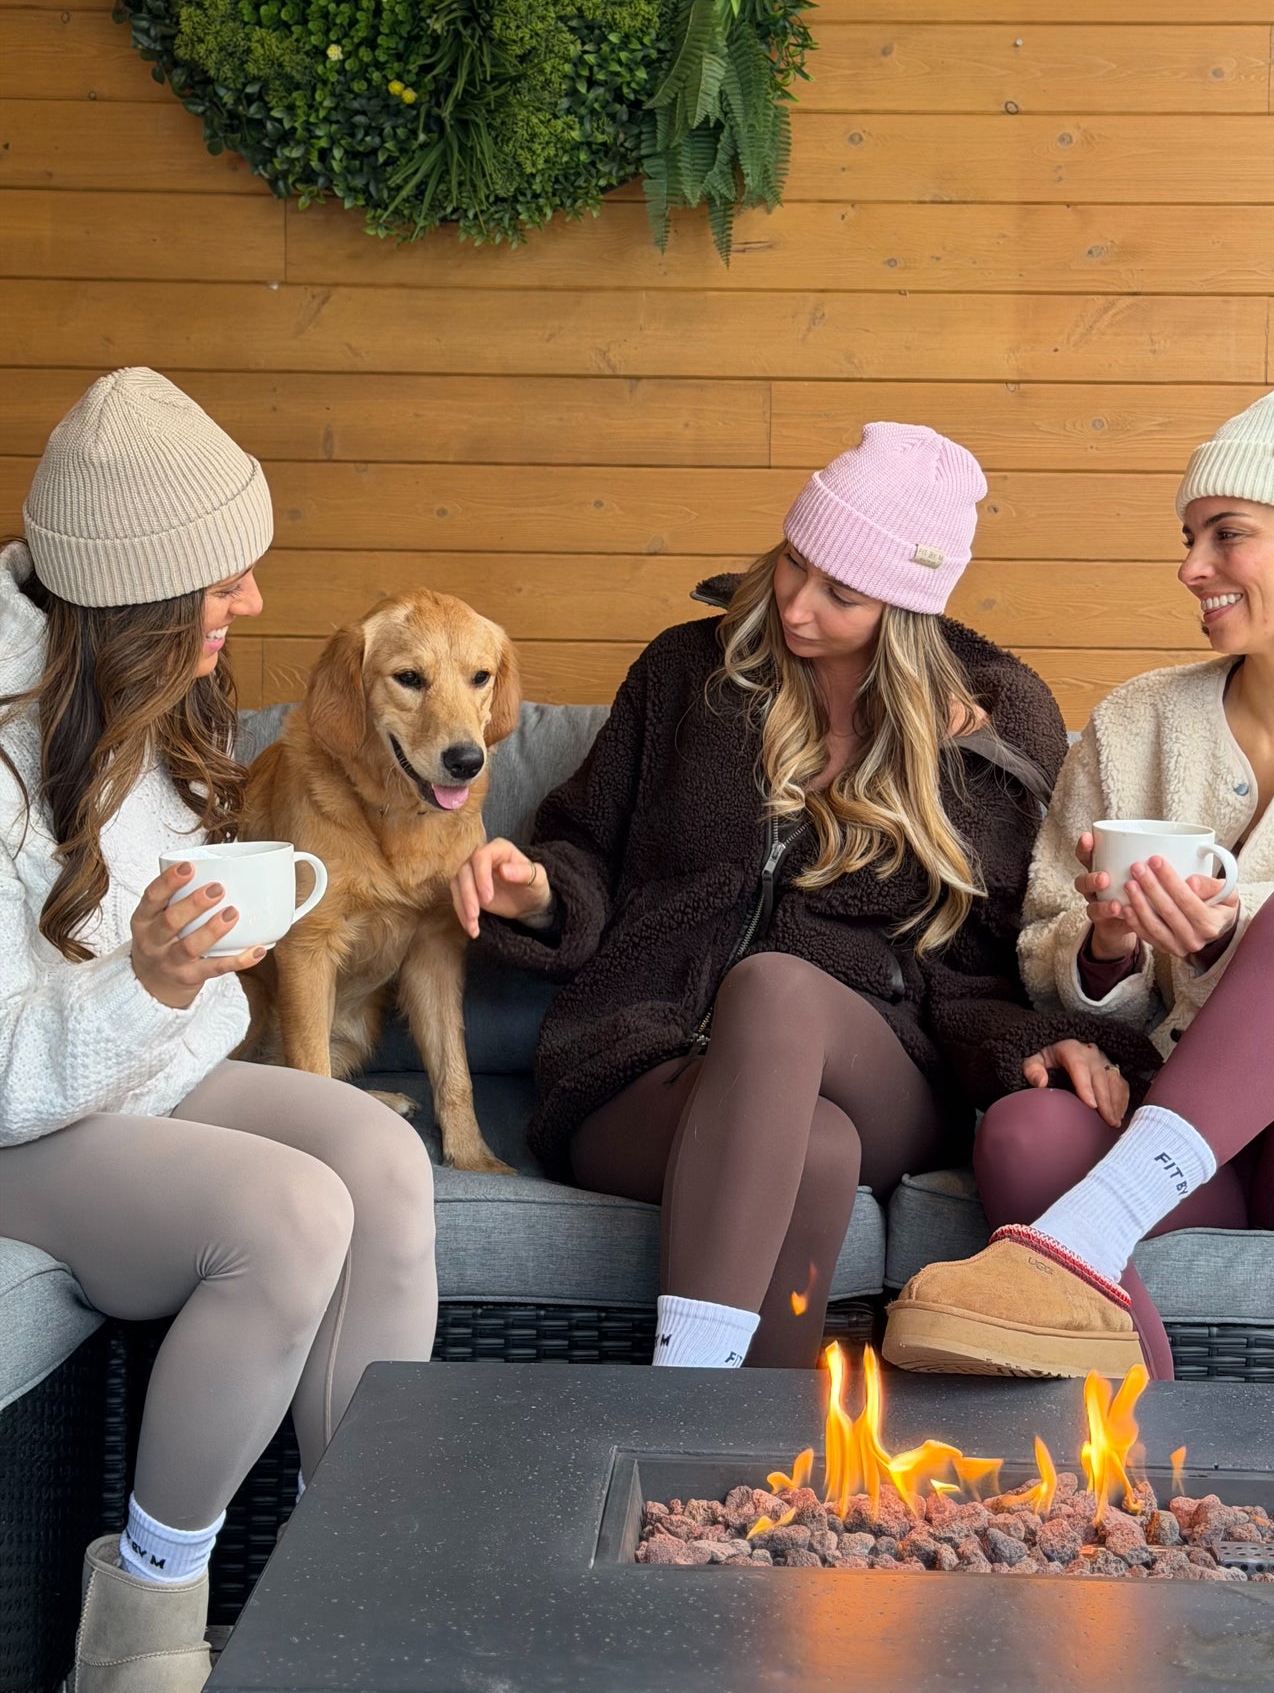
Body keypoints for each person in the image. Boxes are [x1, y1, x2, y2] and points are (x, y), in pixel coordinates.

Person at [453, 422, 1153, 1370]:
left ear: (905, 612)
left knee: (776, 987)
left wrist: (1030, 1041)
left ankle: (679, 1389)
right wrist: (539, 894)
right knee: (813, 1154)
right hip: (644, 1062)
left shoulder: (991, 725)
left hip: (882, 1068)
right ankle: (750, 1441)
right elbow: (583, 843)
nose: (796, 603)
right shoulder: (686, 673)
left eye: (841, 593)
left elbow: (978, 963)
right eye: (795, 561)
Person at [883, 380, 1274, 1381]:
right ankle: (1146, 1423)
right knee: (1022, 1135)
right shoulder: (1135, 720)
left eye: (1228, 534)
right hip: (1197, 1149)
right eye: (1189, 538)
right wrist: (1108, 950)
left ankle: (1091, 1227)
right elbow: (1046, 942)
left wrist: (1230, 936)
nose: (1193, 567)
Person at [0, 370, 438, 1692]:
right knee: (289, 1213)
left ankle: (354, 1607)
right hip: (22, 1121)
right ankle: (141, 1633)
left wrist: (176, 972)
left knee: (381, 1157)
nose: (249, 601)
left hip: (128, 1079)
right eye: (221, 581)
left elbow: (164, 996)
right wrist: (146, 981)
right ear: (135, 597)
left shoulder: (138, 698)